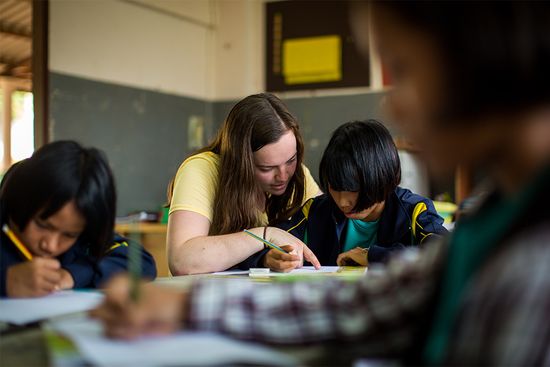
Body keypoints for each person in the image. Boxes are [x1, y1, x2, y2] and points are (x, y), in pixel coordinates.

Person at [93, 1, 550, 365]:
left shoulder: (530, 264)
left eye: (403, 68)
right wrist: (191, 306)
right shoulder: (497, 220)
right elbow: (367, 307)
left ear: (482, 56)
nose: (393, 107)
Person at [167, 93, 321, 275]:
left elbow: (328, 220)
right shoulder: (201, 169)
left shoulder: (298, 174)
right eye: (266, 168)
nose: (283, 176)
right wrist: (265, 235)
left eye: (291, 160)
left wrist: (265, 258)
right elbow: (182, 260)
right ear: (241, 162)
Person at [274, 119, 447, 267]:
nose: (342, 202)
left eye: (353, 189)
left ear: (383, 177)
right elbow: (272, 240)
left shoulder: (415, 211)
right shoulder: (315, 211)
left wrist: (372, 256)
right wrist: (267, 258)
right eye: (335, 187)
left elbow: (445, 256)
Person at [0, 141, 156, 297]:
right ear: (19, 201)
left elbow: (141, 261)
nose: (51, 246)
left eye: (69, 235)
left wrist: (71, 275)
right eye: (42, 225)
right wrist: (6, 280)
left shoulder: (83, 234)